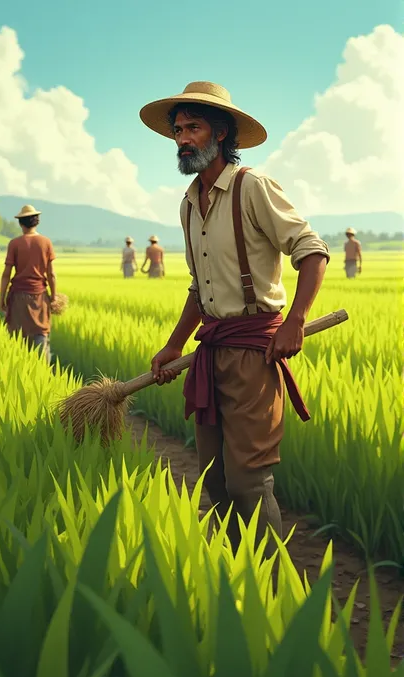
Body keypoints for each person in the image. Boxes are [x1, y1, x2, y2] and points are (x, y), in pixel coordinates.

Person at [140, 81, 330, 555]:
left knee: (248, 480)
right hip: (210, 353)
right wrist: (174, 344)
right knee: (215, 480)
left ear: (222, 133)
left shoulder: (252, 188)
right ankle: (232, 573)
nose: (183, 137)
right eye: (179, 129)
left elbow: (312, 252)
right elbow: (198, 288)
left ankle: (269, 584)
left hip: (252, 354)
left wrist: (295, 321)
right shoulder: (189, 203)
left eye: (194, 127)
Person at [0, 205, 56, 364]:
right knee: (40, 335)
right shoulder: (46, 242)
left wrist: (2, 298)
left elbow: (6, 274)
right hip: (39, 296)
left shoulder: (14, 243)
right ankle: (43, 375)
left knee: (17, 338)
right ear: (36, 222)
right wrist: (53, 296)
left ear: (21, 223)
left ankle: (20, 371)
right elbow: (51, 274)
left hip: (18, 297)